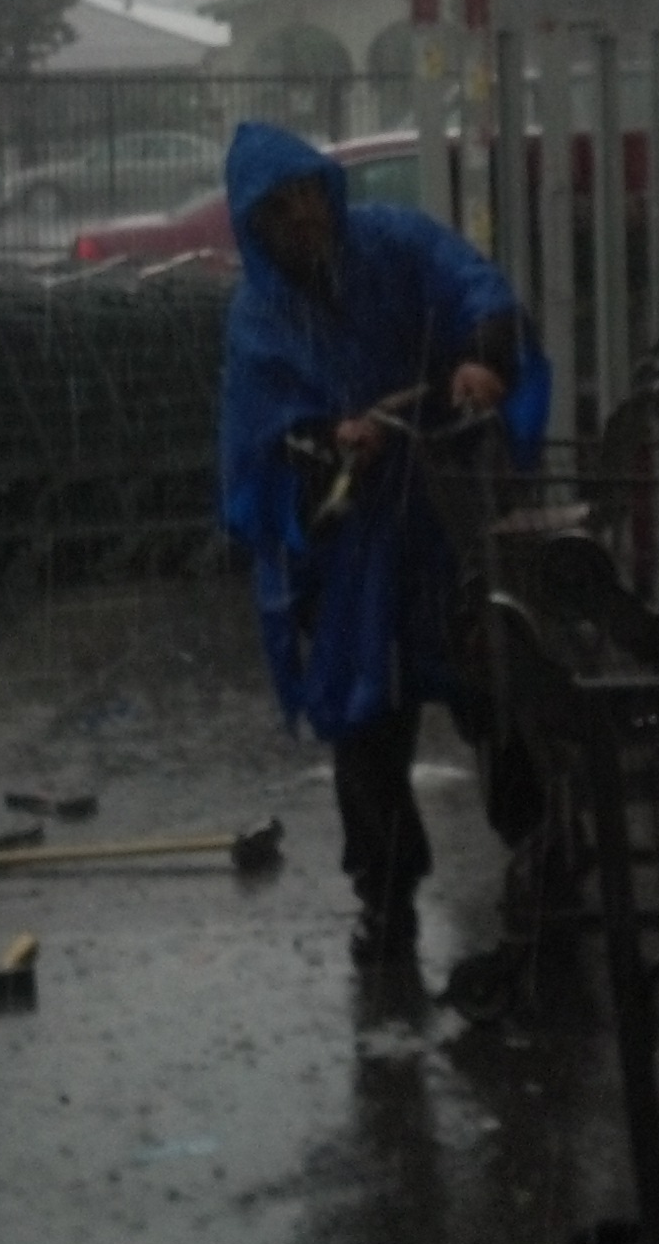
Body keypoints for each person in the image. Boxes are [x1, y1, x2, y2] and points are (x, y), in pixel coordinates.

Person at [219, 119, 550, 959]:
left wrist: (482, 358)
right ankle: (386, 892)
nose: (302, 218)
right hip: (355, 553)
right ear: (256, 225)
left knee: (492, 683)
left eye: (307, 196)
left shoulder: (396, 242)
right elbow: (263, 430)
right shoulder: (261, 316)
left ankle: (542, 848)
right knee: (365, 720)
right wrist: (328, 441)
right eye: (279, 210)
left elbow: (476, 288)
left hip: (446, 517)